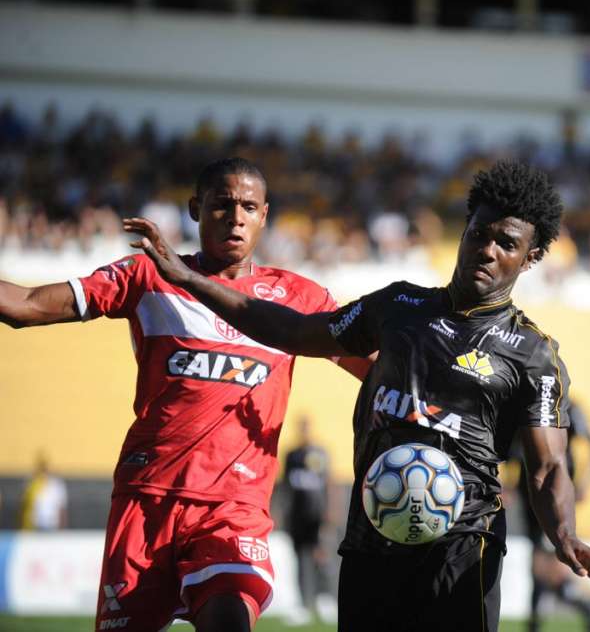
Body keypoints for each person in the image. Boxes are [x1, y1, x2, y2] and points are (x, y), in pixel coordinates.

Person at [123, 159, 590, 631]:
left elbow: (549, 466)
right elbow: (293, 331)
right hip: (371, 536)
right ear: (464, 231)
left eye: (506, 243)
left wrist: (564, 534)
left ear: (530, 258)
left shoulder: (534, 355)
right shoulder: (397, 307)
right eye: (479, 234)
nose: (487, 250)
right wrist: (189, 280)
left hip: (463, 545)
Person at [0, 157, 369, 632]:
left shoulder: (298, 299)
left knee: (228, 618)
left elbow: (375, 367)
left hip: (232, 510)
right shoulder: (147, 276)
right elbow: (26, 306)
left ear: (264, 215)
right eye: (222, 204)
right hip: (146, 500)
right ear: (196, 209)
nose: (235, 216)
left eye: (249, 207)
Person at [510, 399, 590, 632]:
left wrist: (584, 483)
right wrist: (508, 485)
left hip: (552, 490)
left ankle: (582, 604)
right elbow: (514, 451)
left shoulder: (568, 407)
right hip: (528, 490)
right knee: (539, 557)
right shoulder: (522, 404)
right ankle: (535, 620)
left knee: (547, 558)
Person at [282, 415, 332, 624]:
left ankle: (327, 600)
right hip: (297, 516)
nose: (303, 432)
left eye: (306, 427)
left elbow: (330, 482)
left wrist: (330, 512)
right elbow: (286, 486)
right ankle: (304, 603)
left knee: (323, 557)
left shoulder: (320, 452)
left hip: (318, 514)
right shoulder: (292, 455)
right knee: (300, 559)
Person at [18, 452, 68, 531]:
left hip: (51, 525)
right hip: (35, 525)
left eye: (44, 467)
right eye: (41, 467)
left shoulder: (56, 485)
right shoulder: (32, 483)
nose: (43, 470)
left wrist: (62, 528)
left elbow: (61, 508)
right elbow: (24, 505)